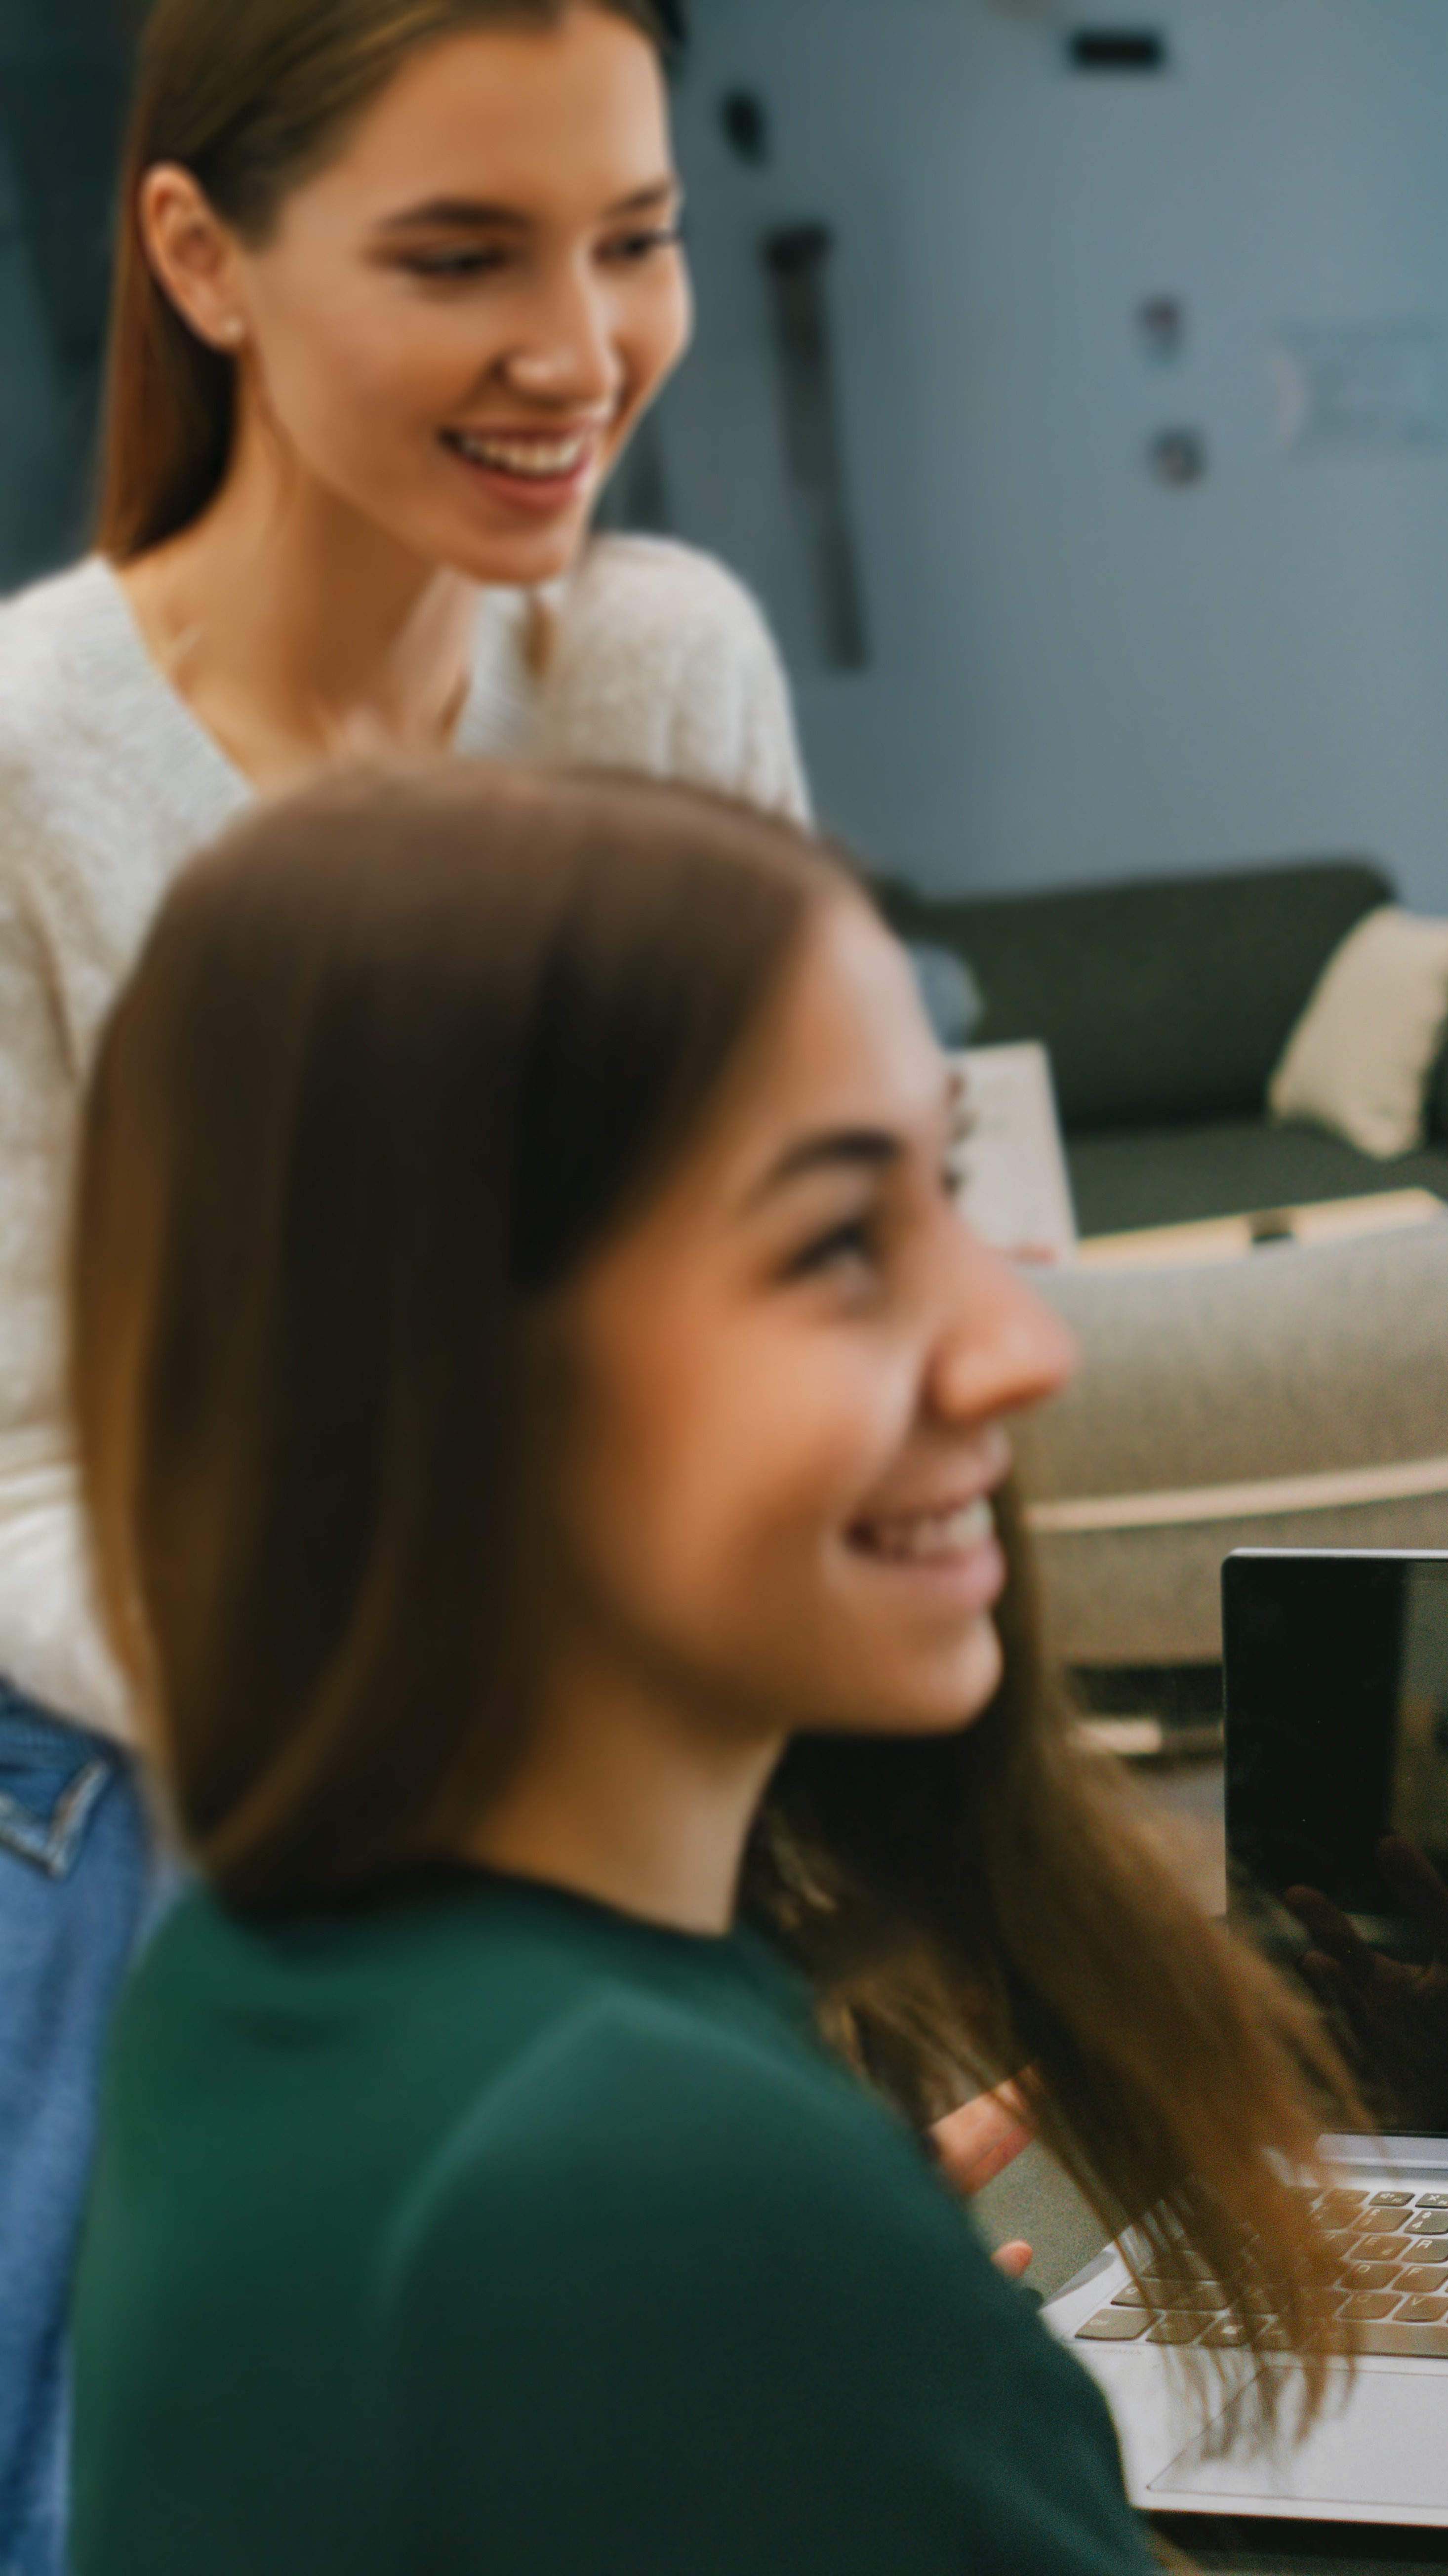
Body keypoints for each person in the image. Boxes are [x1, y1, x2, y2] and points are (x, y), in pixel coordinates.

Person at [64, 764, 1448, 2576]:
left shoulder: (243, 1980)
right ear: (434, 1374)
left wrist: (834, 2375)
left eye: (949, 1196)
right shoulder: (640, 2187)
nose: (1017, 1343)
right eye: (841, 1244)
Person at [0, 7, 802, 2550]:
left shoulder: (659, 668)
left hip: (630, 1735)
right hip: (184, 1752)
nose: (579, 351)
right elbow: (21, 1468)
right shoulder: (32, 768)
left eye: (637, 240)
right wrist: (434, 1760)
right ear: (202, 257)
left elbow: (825, 1295)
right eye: (463, 254)